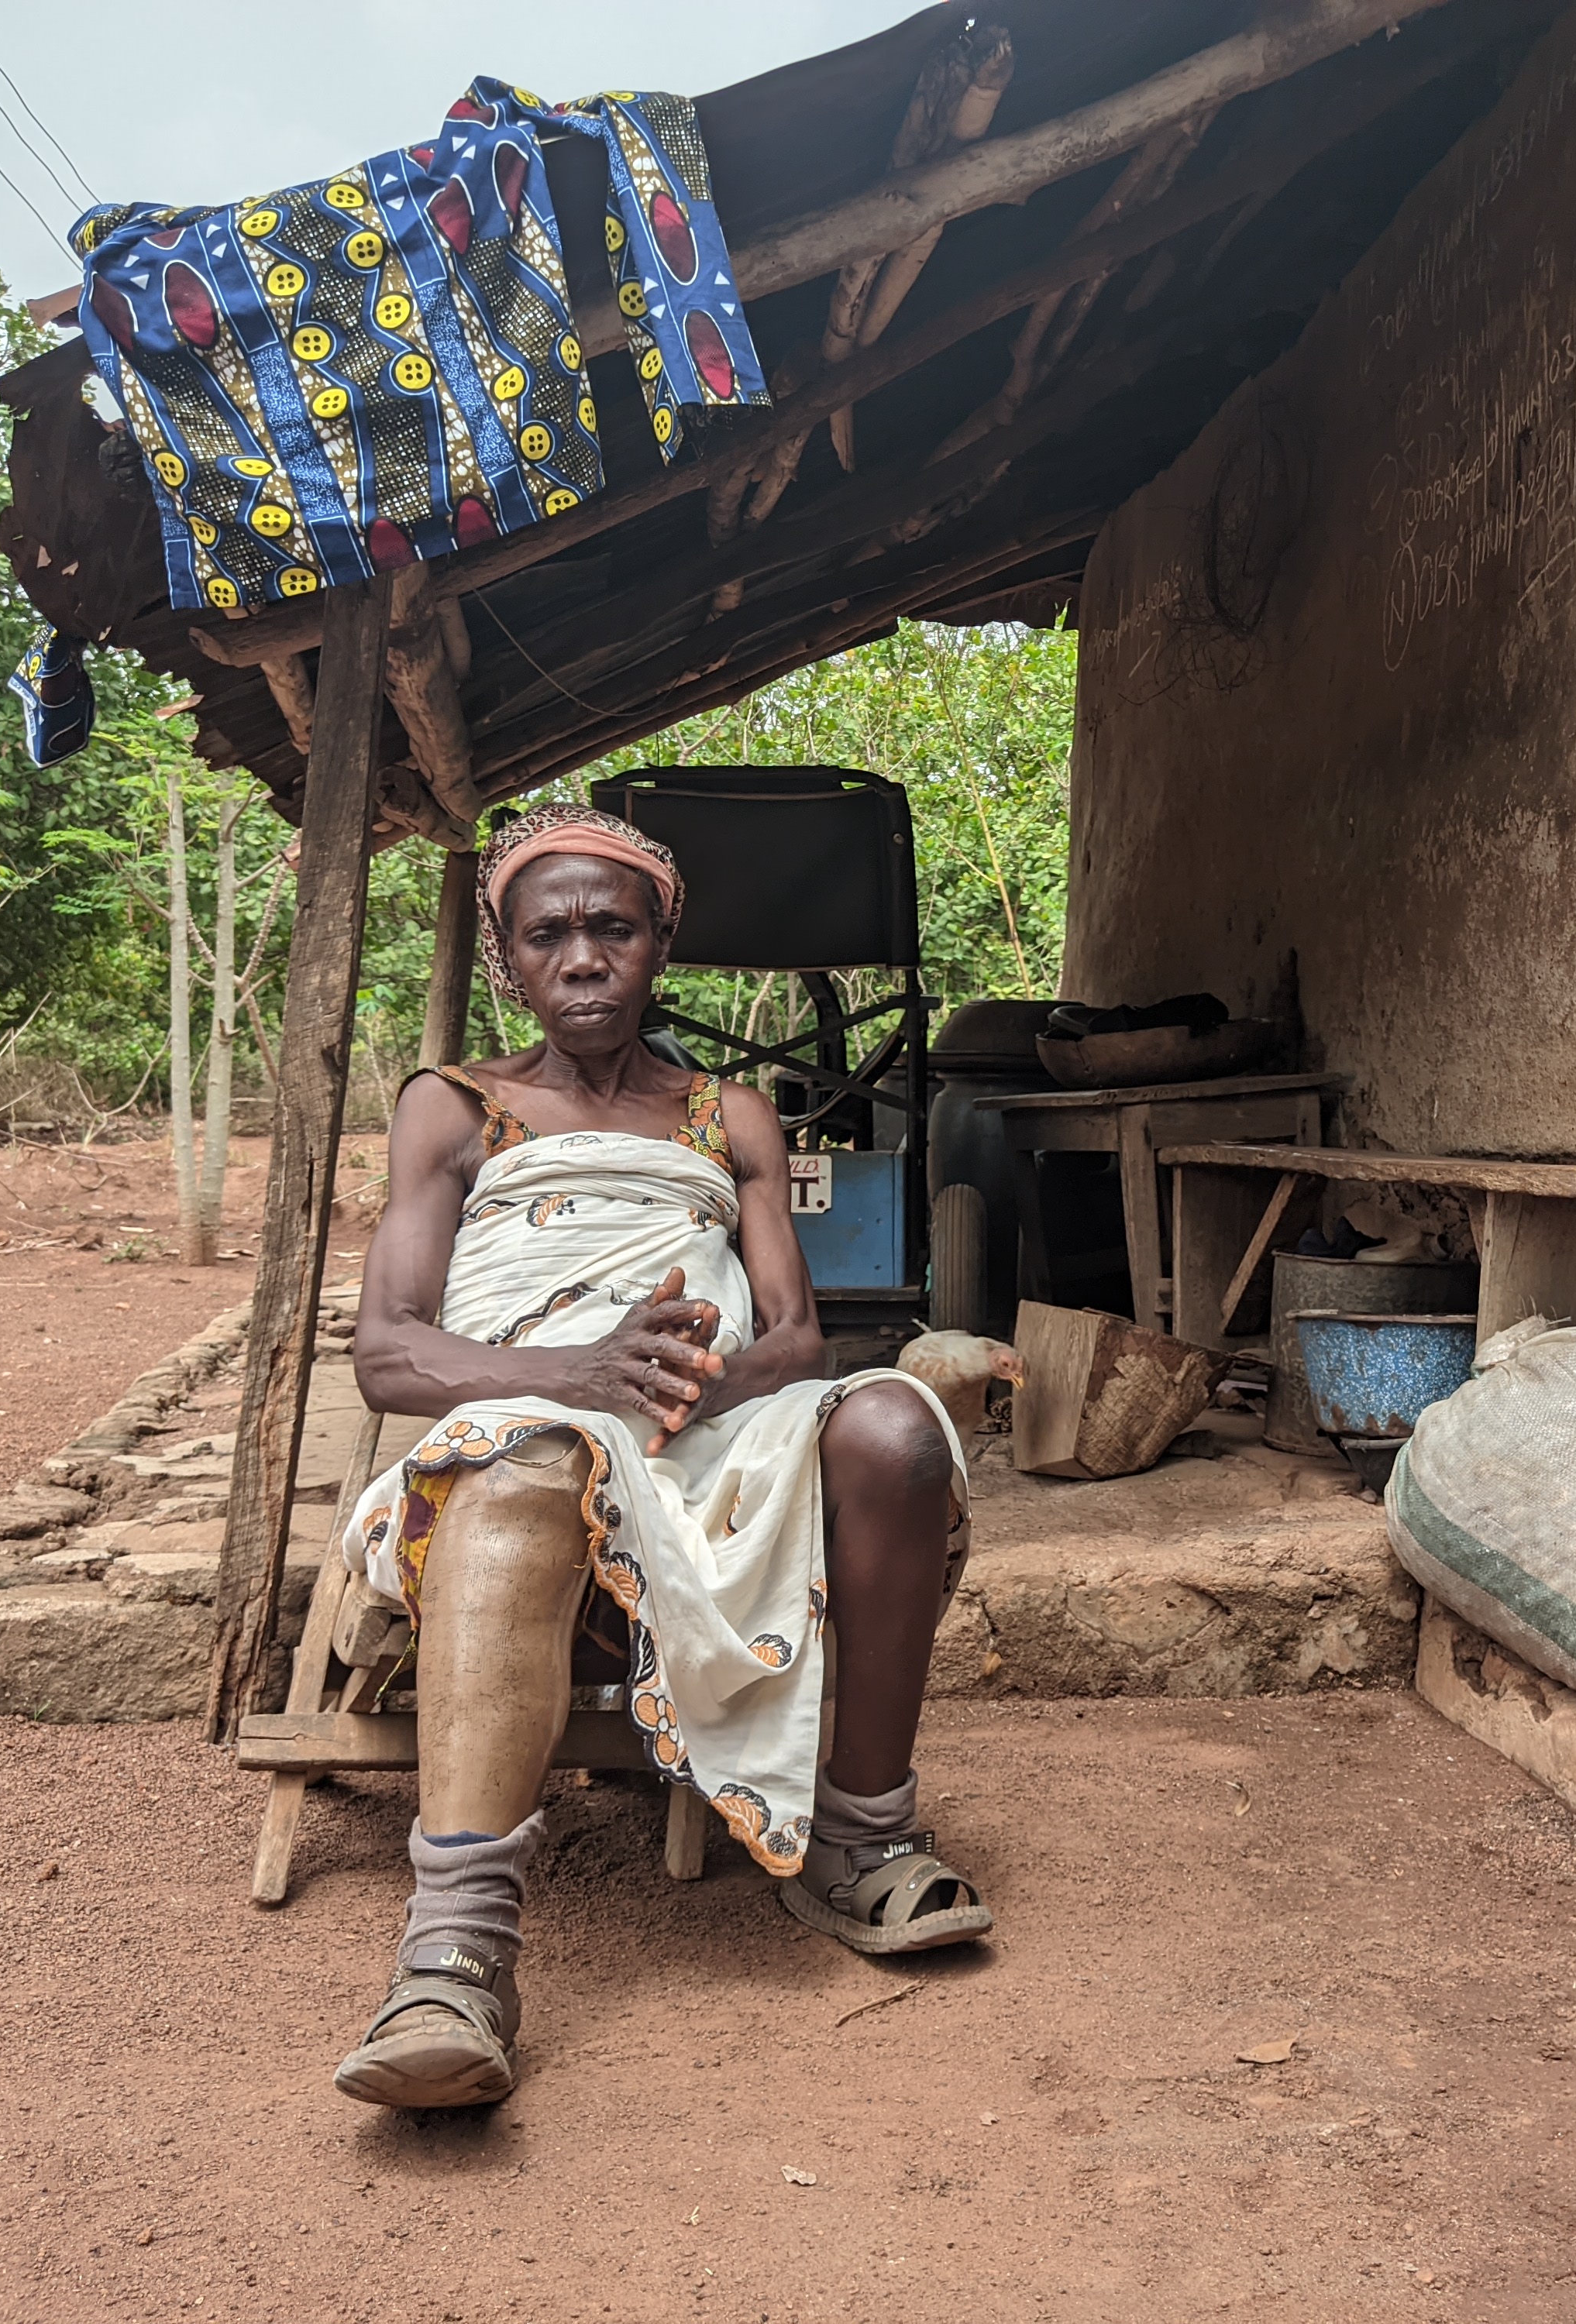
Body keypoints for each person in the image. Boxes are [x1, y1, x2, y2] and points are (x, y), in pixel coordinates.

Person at [329, 803, 987, 2112]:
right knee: (525, 1468)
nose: (582, 957)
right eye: (548, 934)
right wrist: (578, 1377)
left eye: (612, 928)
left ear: (658, 945)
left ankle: (858, 1841)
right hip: (523, 1413)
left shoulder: (727, 1114)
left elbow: (796, 1338)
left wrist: (675, 1387)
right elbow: (392, 1353)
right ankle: (455, 1952)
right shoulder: (453, 1105)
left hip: (717, 1421)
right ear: (510, 959)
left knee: (899, 1428)